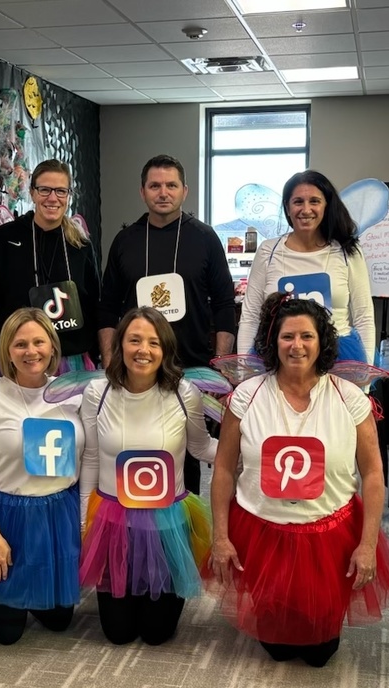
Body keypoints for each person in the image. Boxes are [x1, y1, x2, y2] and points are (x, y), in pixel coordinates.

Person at [210, 292, 389, 666]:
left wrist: (367, 543)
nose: (297, 346)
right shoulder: (246, 396)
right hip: (262, 532)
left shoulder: (350, 398)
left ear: (322, 340)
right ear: (272, 341)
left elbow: (374, 472)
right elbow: (225, 469)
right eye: (287, 336)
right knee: (277, 648)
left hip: (329, 535)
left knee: (319, 653)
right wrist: (220, 535)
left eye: (306, 336)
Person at [98, 154, 235, 494]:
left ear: (184, 191)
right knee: (132, 446)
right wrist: (109, 360)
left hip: (190, 367)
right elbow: (107, 308)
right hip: (135, 369)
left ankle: (182, 526)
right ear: (142, 192)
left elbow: (223, 305)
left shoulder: (205, 239)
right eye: (155, 185)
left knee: (185, 455)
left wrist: (218, 367)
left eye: (171, 185)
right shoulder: (125, 240)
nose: (163, 193)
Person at [79, 306, 216, 646]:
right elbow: (92, 459)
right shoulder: (97, 393)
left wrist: (249, 456)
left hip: (167, 520)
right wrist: (84, 518)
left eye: (153, 343)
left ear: (165, 349)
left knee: (157, 634)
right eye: (135, 340)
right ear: (120, 344)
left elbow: (202, 447)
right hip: (113, 520)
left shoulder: (186, 394)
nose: (144, 350)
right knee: (118, 633)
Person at [0, 308, 84, 645]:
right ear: (7, 351)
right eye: (20, 344)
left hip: (59, 515)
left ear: (53, 347)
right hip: (6, 519)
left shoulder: (73, 395)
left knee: (59, 622)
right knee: (7, 634)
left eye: (39, 342)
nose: (31, 352)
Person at [236, 170, 376, 365]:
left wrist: (365, 377)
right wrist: (245, 371)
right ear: (287, 207)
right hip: (281, 358)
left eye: (315, 201)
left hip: (338, 357)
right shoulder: (268, 251)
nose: (306, 209)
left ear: (327, 205)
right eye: (298, 201)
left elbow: (364, 317)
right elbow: (250, 316)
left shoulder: (347, 251)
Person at [0, 159, 100, 377]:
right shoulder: (4, 239)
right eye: (44, 190)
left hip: (69, 360)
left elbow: (94, 306)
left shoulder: (80, 246)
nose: (52, 198)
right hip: (14, 359)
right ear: (32, 193)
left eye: (61, 191)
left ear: (68, 196)